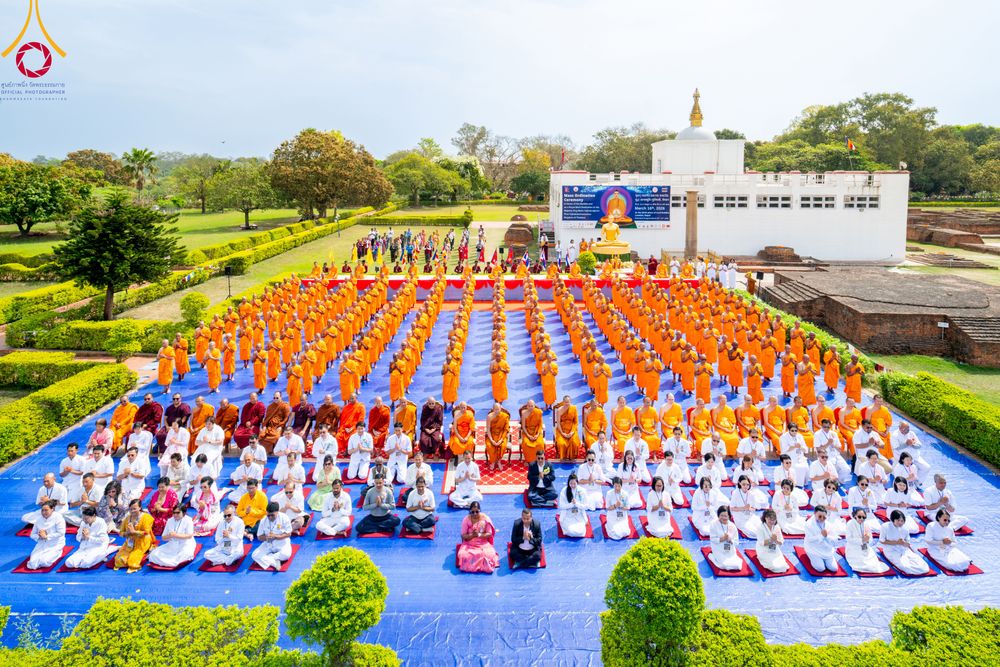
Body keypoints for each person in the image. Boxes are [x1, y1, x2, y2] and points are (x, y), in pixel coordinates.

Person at [879, 509, 930, 575]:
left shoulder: (905, 528)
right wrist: (896, 542)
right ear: (892, 520)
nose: (900, 523)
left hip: (904, 550)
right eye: (898, 520)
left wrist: (906, 545)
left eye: (902, 521)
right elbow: (882, 541)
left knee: (924, 567)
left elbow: (907, 542)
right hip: (891, 551)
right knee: (906, 567)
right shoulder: (885, 526)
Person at [114, 499, 156, 573]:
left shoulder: (146, 517)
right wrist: (128, 533)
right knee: (119, 560)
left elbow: (146, 532)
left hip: (142, 542)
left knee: (132, 562)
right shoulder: (127, 519)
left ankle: (145, 551)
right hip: (129, 543)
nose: (132, 511)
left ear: (140, 508)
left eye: (134, 509)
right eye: (131, 509)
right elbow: (121, 533)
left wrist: (134, 532)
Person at [457, 502, 500, 574]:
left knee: (490, 554)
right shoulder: (466, 519)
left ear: (480, 510)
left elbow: (489, 534)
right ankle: (483, 564)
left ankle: (482, 564)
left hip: (483, 543)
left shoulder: (485, 518)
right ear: (470, 511)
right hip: (469, 544)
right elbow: (463, 535)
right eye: (472, 512)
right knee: (462, 555)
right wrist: (472, 536)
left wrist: (479, 535)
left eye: (477, 511)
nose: (474, 514)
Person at [844, 508, 889, 574]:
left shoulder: (866, 524)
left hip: (865, 547)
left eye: (864, 517)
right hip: (853, 547)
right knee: (862, 564)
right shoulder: (850, 524)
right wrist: (861, 540)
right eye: (859, 517)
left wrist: (867, 540)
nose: (861, 519)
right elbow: (848, 539)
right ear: (855, 516)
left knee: (873, 563)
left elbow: (871, 539)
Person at [252, 502, 293, 571]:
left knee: (286, 555)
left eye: (272, 515)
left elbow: (288, 534)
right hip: (268, 543)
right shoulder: (263, 520)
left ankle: (267, 558)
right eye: (268, 515)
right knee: (254, 555)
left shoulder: (284, 518)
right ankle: (275, 563)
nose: (270, 517)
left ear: (277, 512)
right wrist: (266, 538)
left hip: (281, 542)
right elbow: (259, 537)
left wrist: (276, 536)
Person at [27, 501, 66, 570]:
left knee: (45, 561)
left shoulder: (58, 518)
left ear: (52, 509)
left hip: (55, 543)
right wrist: (40, 536)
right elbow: (32, 534)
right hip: (42, 543)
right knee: (32, 563)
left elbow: (61, 532)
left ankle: (59, 552)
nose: (44, 512)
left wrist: (46, 536)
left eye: (46, 510)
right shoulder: (39, 519)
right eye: (42, 510)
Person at [803, 505, 839, 572]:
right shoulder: (808, 524)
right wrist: (821, 536)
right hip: (813, 549)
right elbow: (809, 539)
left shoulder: (829, 524)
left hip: (827, 549)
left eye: (824, 517)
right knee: (820, 568)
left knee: (834, 569)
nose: (822, 518)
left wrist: (827, 536)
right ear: (814, 514)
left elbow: (835, 538)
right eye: (819, 516)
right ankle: (810, 556)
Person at [708, 506, 742, 570]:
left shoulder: (732, 526)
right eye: (721, 515)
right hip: (718, 548)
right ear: (718, 515)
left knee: (737, 566)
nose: (723, 518)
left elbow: (736, 542)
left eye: (725, 516)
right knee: (724, 565)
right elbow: (712, 539)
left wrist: (730, 540)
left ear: (729, 516)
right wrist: (723, 538)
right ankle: (712, 556)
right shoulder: (713, 524)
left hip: (730, 550)